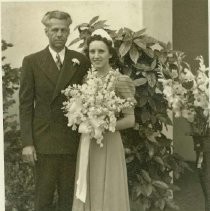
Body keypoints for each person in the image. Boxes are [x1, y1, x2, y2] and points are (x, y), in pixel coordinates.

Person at [19, 11, 90, 211]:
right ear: (46, 32)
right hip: (44, 141)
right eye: (55, 30)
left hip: (71, 139)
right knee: (43, 199)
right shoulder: (32, 62)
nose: (59, 34)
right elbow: (25, 105)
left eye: (64, 30)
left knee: (69, 198)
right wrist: (27, 143)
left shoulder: (80, 61)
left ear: (68, 32)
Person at [72, 29, 136, 211]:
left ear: (110, 54)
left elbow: (130, 120)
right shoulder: (85, 79)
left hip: (109, 142)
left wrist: (104, 125)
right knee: (90, 184)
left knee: (108, 188)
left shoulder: (120, 80)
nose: (96, 56)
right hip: (88, 143)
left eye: (101, 51)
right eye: (92, 51)